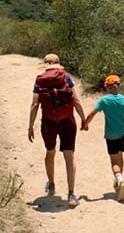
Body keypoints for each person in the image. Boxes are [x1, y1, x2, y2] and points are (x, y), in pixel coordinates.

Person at [29, 53, 86, 208]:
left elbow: (35, 105)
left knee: (50, 152)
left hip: (49, 122)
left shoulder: (39, 80)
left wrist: (30, 126)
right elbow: (76, 100)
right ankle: (71, 194)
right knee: (69, 156)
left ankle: (52, 183)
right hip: (68, 121)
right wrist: (83, 118)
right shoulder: (66, 79)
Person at [82, 75, 124, 202]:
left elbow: (92, 114)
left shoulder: (104, 101)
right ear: (119, 86)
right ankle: (119, 183)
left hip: (111, 135)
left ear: (107, 87)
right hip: (123, 134)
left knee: (114, 161)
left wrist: (85, 124)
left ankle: (120, 180)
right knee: (120, 157)